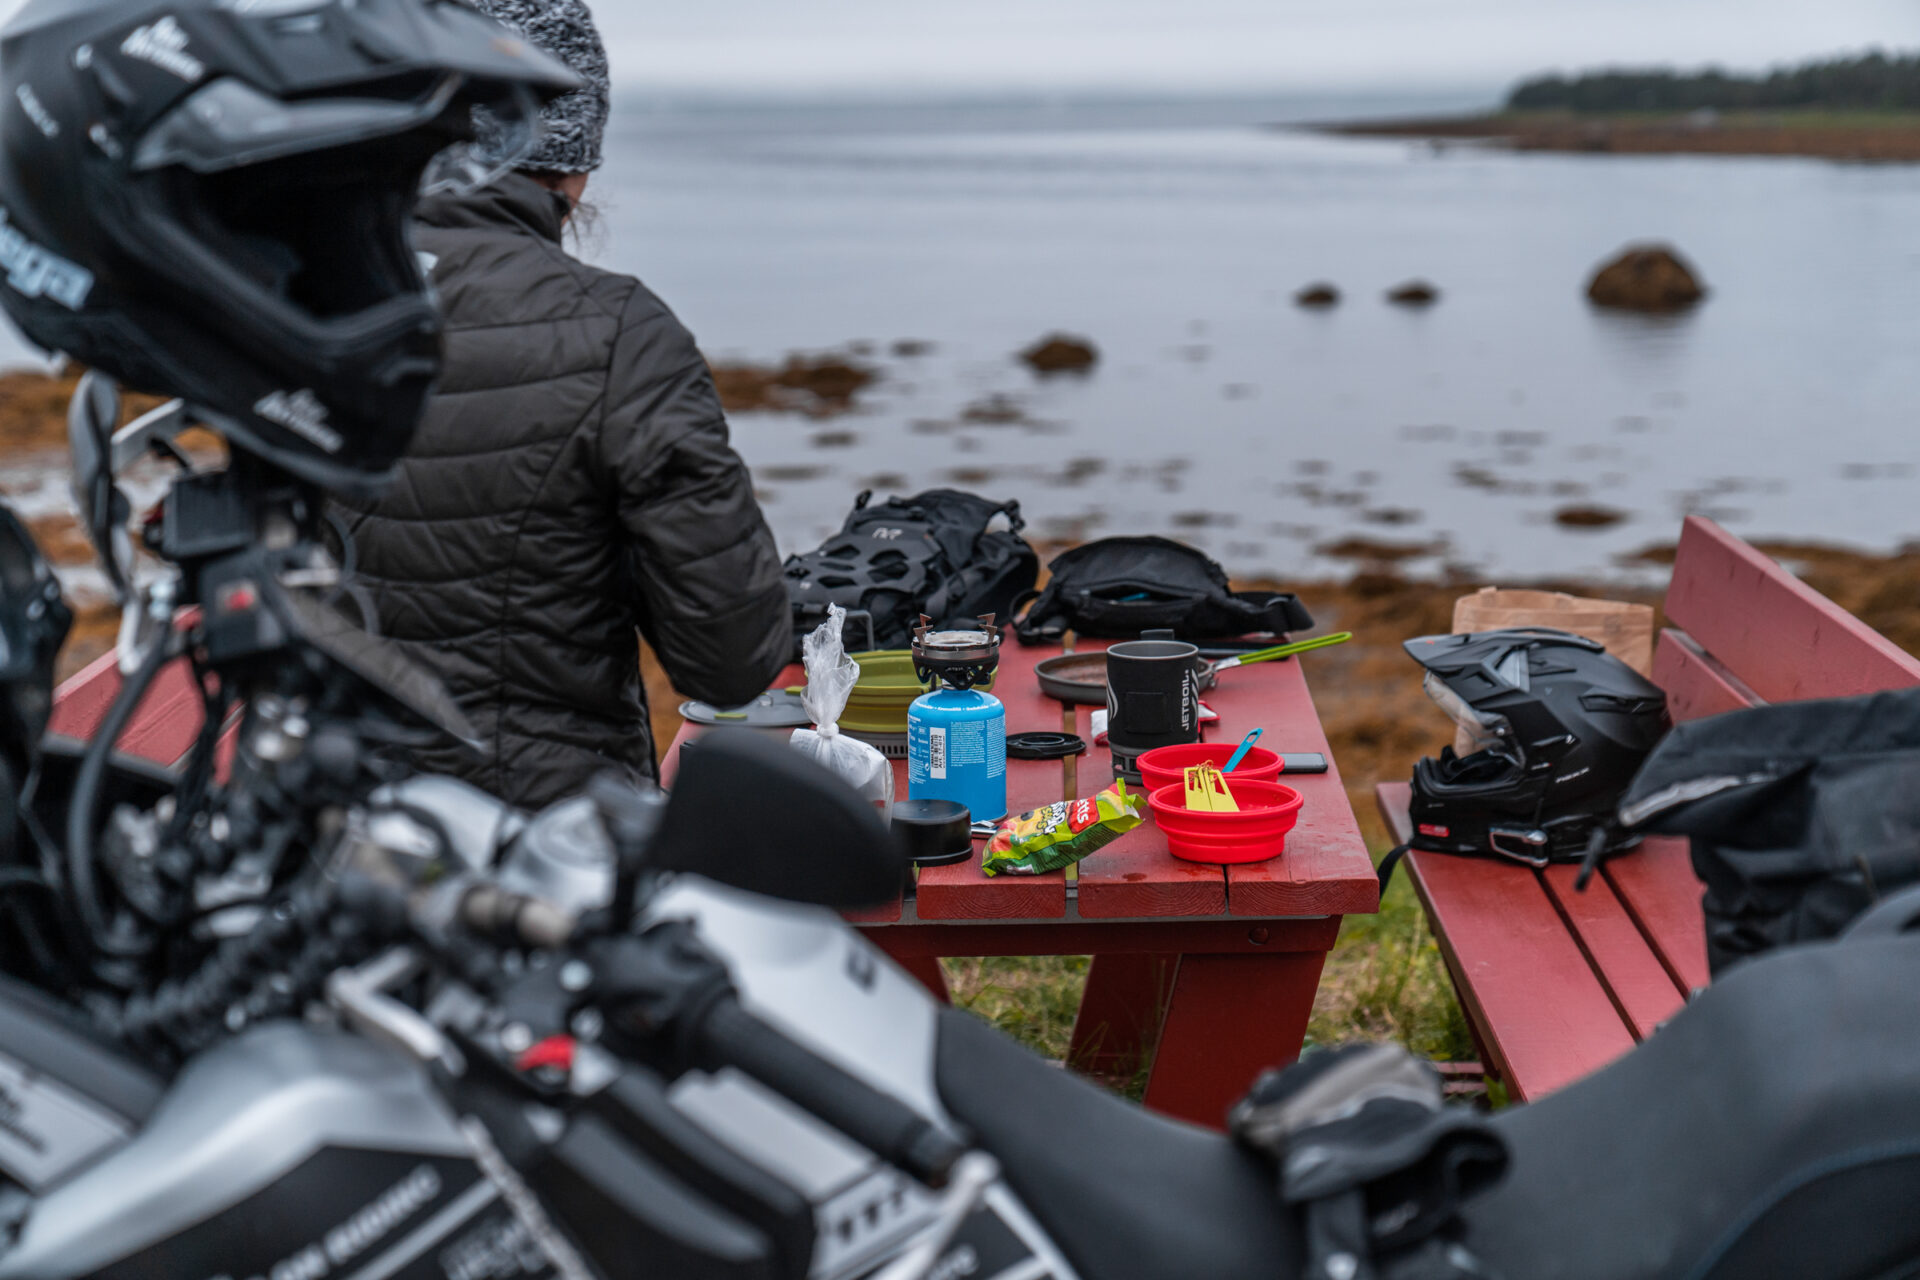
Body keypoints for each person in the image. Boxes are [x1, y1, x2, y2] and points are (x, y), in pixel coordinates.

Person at [334, 0, 791, 810]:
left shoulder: (283, 303)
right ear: (572, 157)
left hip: (326, 833)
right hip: (545, 844)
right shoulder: (620, 334)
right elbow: (730, 661)